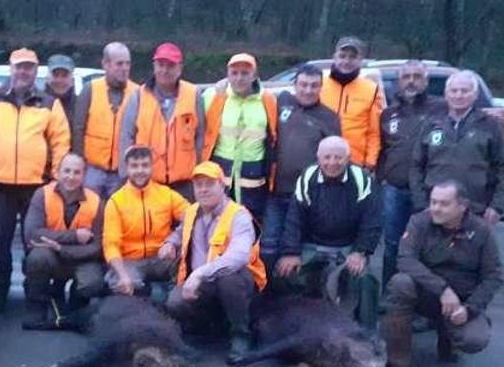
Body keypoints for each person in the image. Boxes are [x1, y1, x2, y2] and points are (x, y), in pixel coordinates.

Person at [0, 47, 70, 312]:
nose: (23, 72)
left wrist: (56, 178)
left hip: (38, 186)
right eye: (19, 66)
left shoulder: (48, 103)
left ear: (36, 72)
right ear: (10, 69)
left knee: (34, 243)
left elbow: (61, 142)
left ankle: (35, 298)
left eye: (29, 67)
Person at [382, 180, 501, 367]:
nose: (436, 208)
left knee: (475, 340)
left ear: (462, 206)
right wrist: (442, 290)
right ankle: (397, 356)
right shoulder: (419, 222)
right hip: (426, 294)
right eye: (433, 202)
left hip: (461, 302)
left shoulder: (481, 232)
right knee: (400, 283)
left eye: (444, 204)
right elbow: (405, 260)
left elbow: (493, 277)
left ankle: (449, 337)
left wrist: (470, 309)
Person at [162, 162, 266, 364]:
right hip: (202, 283)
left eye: (209, 184)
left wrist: (200, 273)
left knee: (228, 278)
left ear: (222, 185)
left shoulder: (239, 215)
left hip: (236, 281)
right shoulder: (192, 211)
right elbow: (179, 231)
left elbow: (239, 256)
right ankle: (212, 325)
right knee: (174, 302)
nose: (203, 189)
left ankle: (240, 334)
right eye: (198, 185)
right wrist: (170, 243)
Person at [275, 136, 381, 328]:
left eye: (338, 158)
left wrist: (361, 252)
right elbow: (294, 218)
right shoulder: (307, 177)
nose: (332, 163)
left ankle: (366, 335)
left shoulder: (362, 179)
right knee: (283, 274)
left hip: (348, 247)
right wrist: (290, 252)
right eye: (327, 157)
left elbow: (371, 220)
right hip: (314, 245)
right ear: (318, 157)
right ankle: (289, 330)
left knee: (367, 280)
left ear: (348, 158)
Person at [410, 70, 504, 227]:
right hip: (435, 209)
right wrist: (421, 203)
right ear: (446, 94)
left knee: (472, 251)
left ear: (475, 95)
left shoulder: (490, 125)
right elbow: (416, 165)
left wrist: (497, 206)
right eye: (454, 91)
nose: (458, 95)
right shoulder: (431, 124)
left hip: (476, 210)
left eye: (464, 91)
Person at [261, 64, 340, 273]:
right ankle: (266, 294)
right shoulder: (281, 103)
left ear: (321, 88)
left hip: (307, 196)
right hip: (274, 192)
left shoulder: (330, 118)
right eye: (303, 84)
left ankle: (295, 297)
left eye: (314, 86)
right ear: (295, 85)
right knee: (268, 246)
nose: (308, 90)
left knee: (300, 249)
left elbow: (333, 157)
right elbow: (251, 91)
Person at [378, 60, 447, 293]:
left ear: (426, 81)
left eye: (417, 76)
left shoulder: (442, 108)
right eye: (406, 76)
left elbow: (469, 114)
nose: (411, 81)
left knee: (426, 248)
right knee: (392, 245)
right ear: (399, 82)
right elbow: (381, 150)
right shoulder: (388, 114)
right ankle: (389, 295)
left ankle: (422, 300)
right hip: (394, 190)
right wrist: (381, 178)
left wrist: (492, 114)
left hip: (430, 193)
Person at [21, 153, 105, 329]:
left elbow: (97, 247)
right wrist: (74, 236)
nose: (71, 177)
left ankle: (77, 309)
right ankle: (37, 309)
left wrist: (60, 247)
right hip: (51, 257)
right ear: (57, 172)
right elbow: (32, 234)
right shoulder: (42, 194)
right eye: (66, 171)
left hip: (82, 259)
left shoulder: (96, 201)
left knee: (92, 283)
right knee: (37, 257)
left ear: (84, 175)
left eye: (77, 172)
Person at [118, 42, 206, 200]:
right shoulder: (138, 96)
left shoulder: (194, 95)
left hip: (185, 184)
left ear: (180, 68)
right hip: (148, 182)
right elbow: (126, 136)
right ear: (154, 66)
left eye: (170, 66)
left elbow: (201, 137)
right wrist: (126, 176)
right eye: (161, 65)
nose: (165, 70)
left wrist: (200, 173)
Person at [103, 146, 188, 296]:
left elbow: (192, 217)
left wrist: (172, 241)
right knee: (121, 285)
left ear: (152, 167)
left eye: (145, 165)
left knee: (189, 264)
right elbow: (110, 244)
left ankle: (175, 305)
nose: (140, 171)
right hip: (130, 261)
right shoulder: (116, 201)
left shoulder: (166, 194)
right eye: (135, 166)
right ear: (126, 168)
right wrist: (123, 276)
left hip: (162, 257)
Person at [201, 53, 277, 221]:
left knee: (252, 227)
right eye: (234, 73)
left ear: (254, 76)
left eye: (245, 73)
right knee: (217, 227)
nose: (239, 78)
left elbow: (274, 136)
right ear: (227, 76)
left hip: (254, 179)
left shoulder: (268, 100)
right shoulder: (213, 97)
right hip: (220, 175)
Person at [72, 42, 138, 199]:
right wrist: (80, 165)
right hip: (92, 170)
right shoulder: (90, 89)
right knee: (89, 214)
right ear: (105, 64)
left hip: (122, 172)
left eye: (127, 63)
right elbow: (78, 129)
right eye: (119, 64)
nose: (124, 68)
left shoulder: (137, 93)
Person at [320, 36, 383, 170]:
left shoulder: (371, 89)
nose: (347, 61)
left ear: (360, 60)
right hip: (321, 161)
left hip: (355, 162)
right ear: (334, 57)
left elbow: (374, 132)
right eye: (342, 56)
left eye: (352, 57)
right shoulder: (319, 85)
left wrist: (371, 162)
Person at [44, 54, 77, 130]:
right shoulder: (35, 104)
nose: (59, 80)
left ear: (72, 80)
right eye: (55, 75)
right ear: (47, 78)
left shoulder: (81, 106)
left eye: (64, 75)